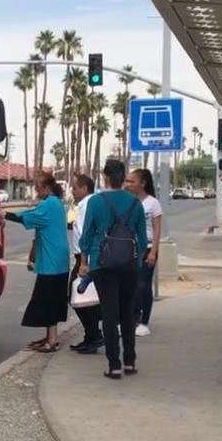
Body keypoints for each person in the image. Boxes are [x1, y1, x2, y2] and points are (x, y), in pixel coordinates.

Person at [79, 159, 148, 379]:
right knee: (127, 312)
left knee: (109, 313)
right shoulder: (135, 203)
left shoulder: (96, 202)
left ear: (105, 177)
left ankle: (114, 365)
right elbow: (143, 238)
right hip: (129, 265)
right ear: (122, 178)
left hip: (102, 264)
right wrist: (137, 264)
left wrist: (84, 261)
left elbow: (86, 236)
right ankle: (130, 361)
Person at [5, 172, 70, 352]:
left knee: (47, 300)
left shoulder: (48, 204)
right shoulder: (55, 203)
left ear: (47, 187)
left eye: (38, 187)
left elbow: (27, 215)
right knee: (52, 299)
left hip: (52, 260)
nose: (36, 190)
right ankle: (51, 336)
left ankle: (52, 340)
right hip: (56, 258)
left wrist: (2, 213)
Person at [68, 174, 104, 354]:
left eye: (74, 188)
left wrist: (84, 262)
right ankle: (92, 335)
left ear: (84, 188)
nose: (72, 191)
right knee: (84, 297)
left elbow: (86, 235)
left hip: (84, 258)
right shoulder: (90, 203)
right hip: (86, 257)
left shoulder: (86, 206)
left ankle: (94, 335)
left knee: (77, 296)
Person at [125, 168, 162, 337]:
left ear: (143, 183)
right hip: (131, 248)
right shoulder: (128, 201)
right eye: (127, 181)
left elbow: (156, 229)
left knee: (143, 285)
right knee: (130, 286)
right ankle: (131, 319)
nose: (128, 184)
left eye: (132, 181)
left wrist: (153, 252)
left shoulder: (152, 203)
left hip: (147, 248)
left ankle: (144, 322)